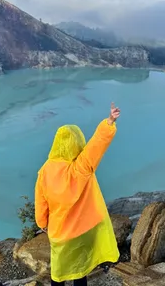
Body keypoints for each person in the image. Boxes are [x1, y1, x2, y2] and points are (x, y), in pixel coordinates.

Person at [35, 103, 121, 286]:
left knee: (58, 273)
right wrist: (109, 122)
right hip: (82, 231)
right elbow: (96, 146)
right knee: (80, 270)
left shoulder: (45, 171)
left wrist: (42, 223)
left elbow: (40, 201)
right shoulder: (81, 168)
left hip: (59, 233)